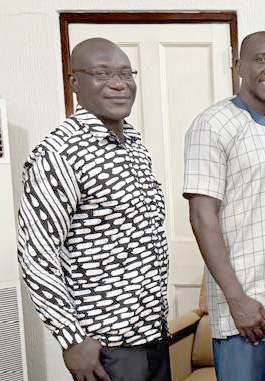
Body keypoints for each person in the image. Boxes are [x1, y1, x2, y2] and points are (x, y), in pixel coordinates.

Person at [18, 38, 171, 380]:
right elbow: (37, 253)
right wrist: (71, 339)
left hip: (151, 334)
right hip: (106, 345)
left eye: (125, 73)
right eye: (102, 74)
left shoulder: (133, 145)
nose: (119, 84)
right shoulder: (59, 153)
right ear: (75, 83)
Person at [183, 31, 265, 380]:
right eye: (261, 59)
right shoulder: (213, 124)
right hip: (244, 305)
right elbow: (201, 216)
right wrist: (236, 299)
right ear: (239, 66)